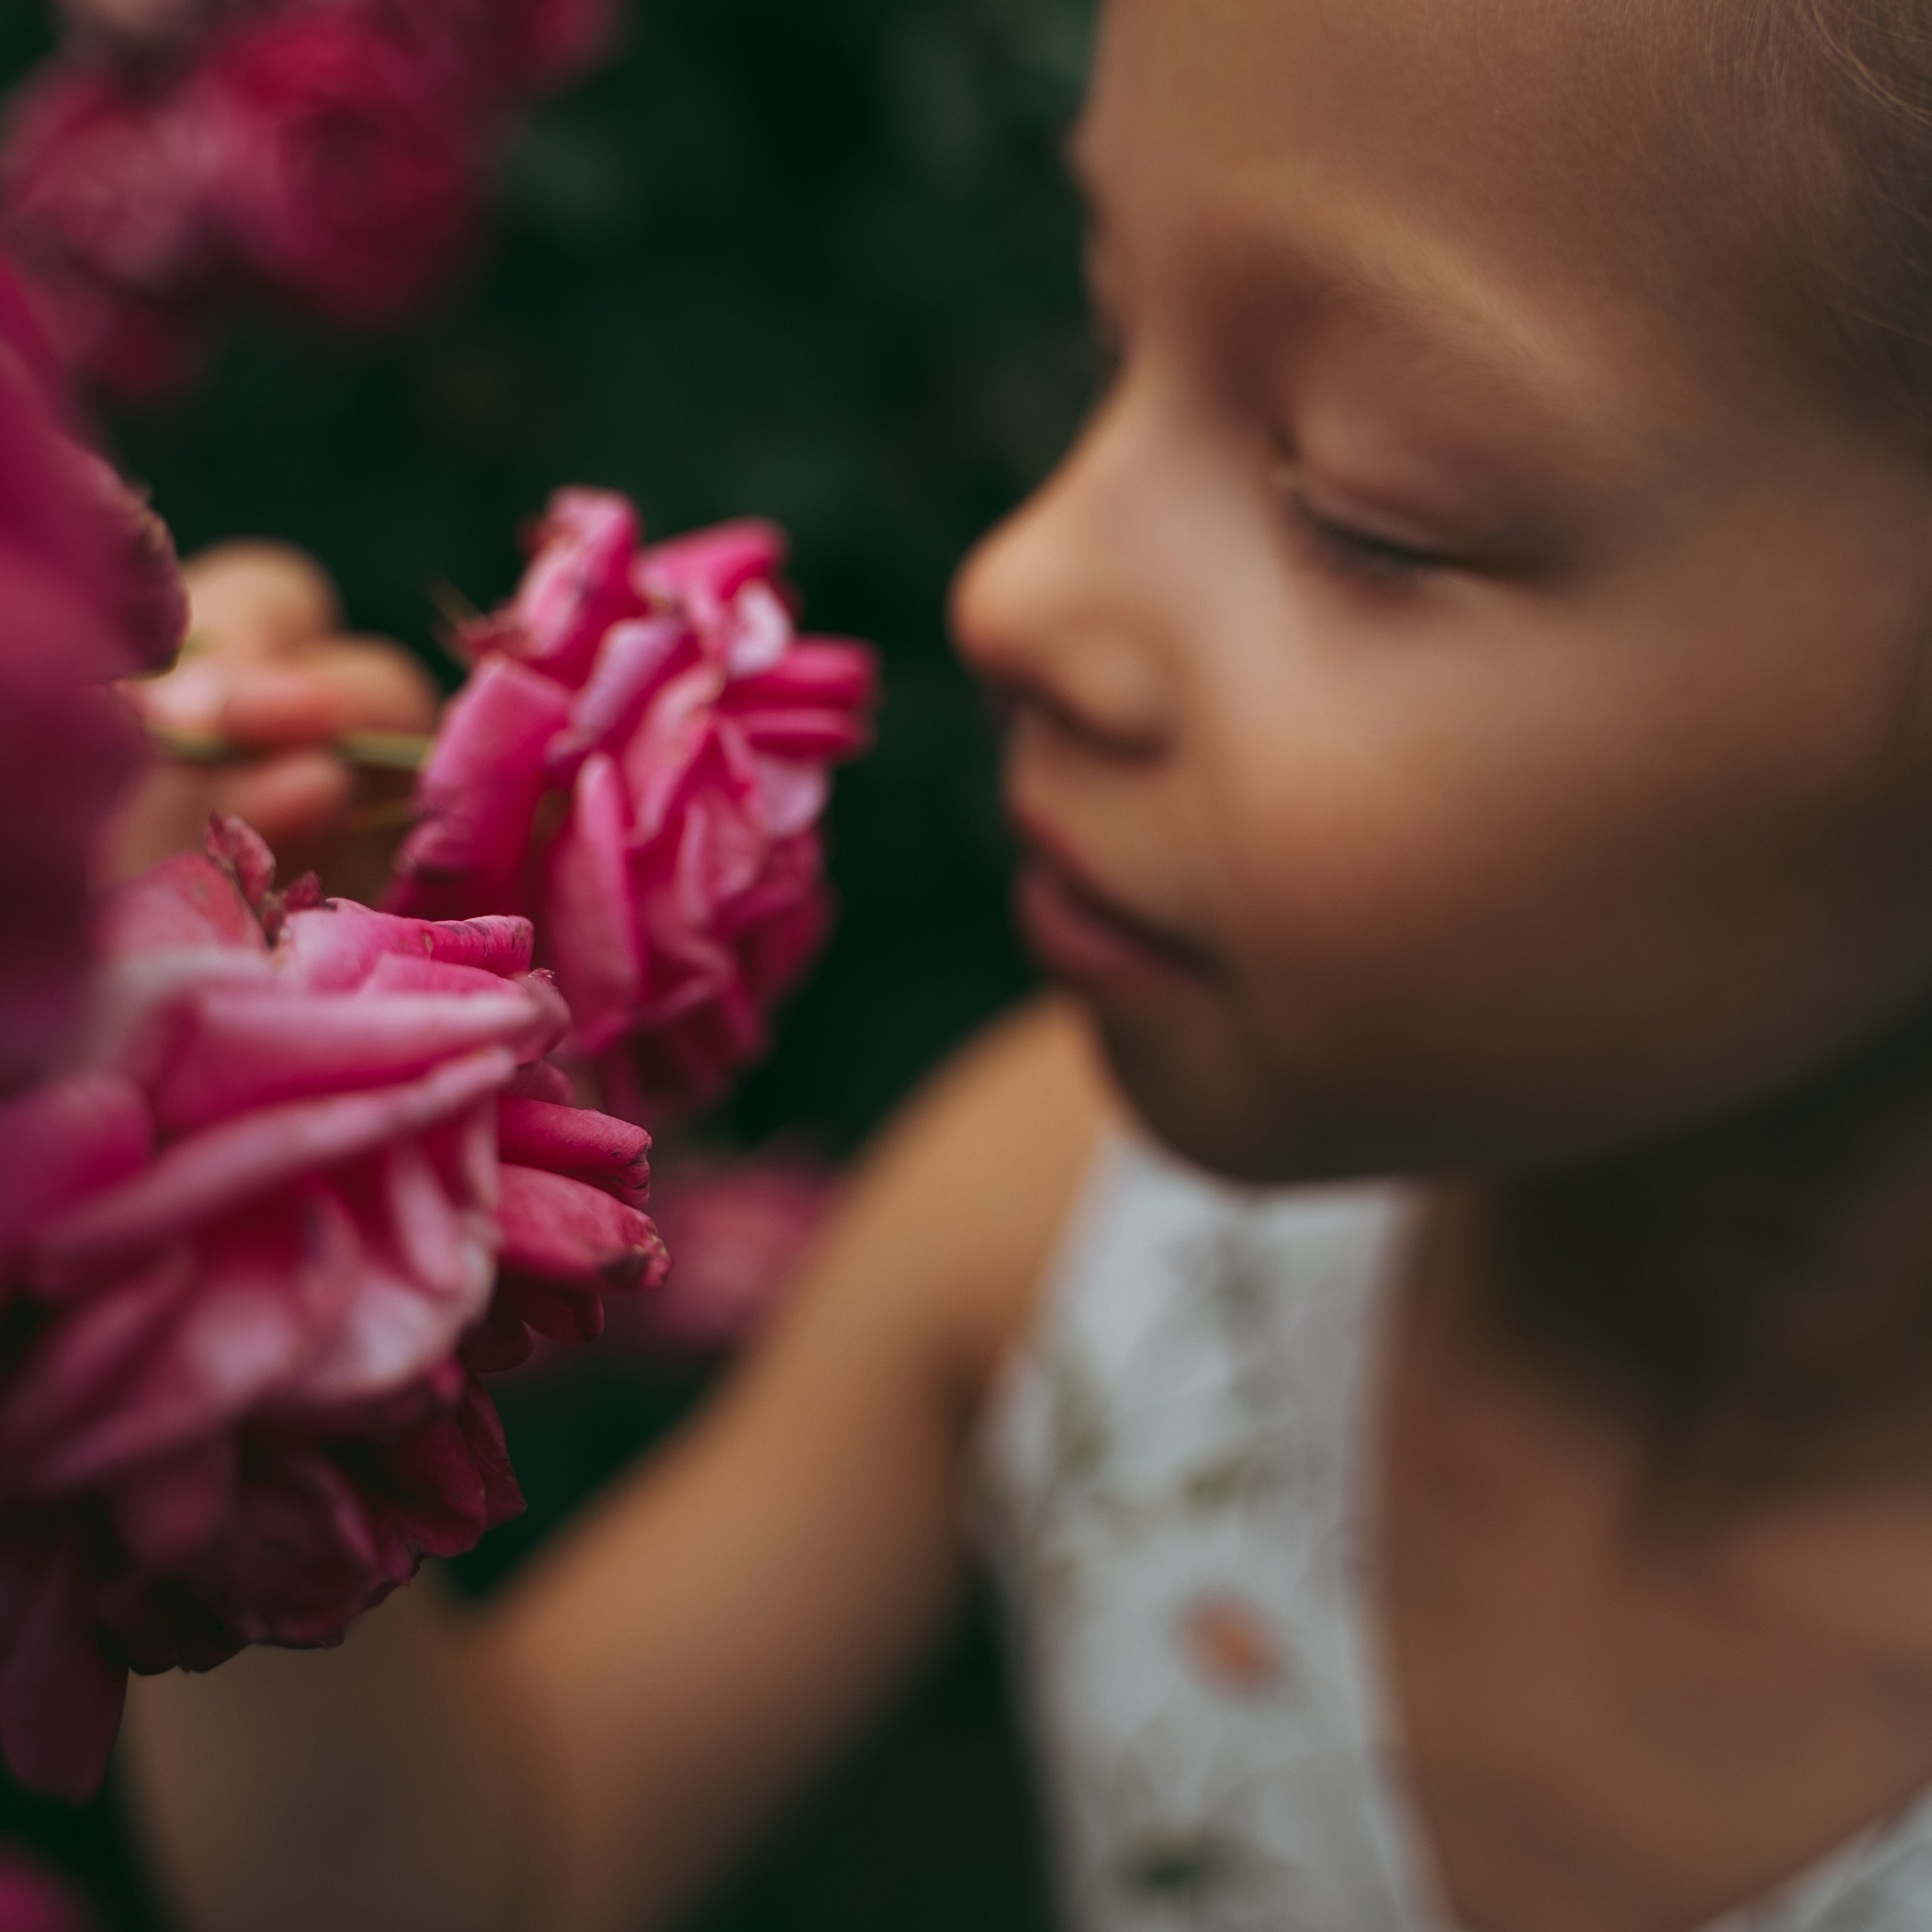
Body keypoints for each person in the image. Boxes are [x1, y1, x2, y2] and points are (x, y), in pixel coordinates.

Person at [112, 0, 1932, 1925]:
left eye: (1362, 511)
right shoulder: (1075, 1226)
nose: (1015, 586)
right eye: (1102, 338)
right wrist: (221, 1185)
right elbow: (474, 1877)